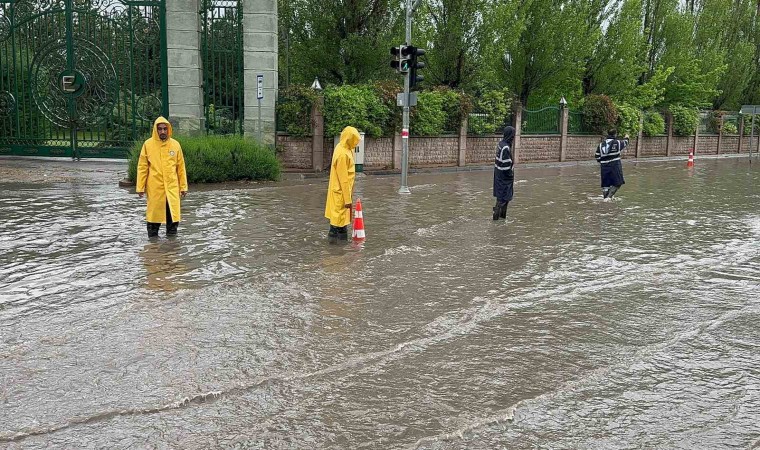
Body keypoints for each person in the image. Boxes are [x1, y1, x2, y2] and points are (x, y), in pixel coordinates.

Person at [136, 117, 188, 238]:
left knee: (173, 219)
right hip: (155, 188)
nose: (163, 131)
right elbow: (142, 167)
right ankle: (153, 249)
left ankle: (172, 250)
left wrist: (183, 186)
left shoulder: (175, 145)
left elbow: (181, 167)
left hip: (172, 188)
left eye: (165, 128)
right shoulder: (148, 145)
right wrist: (140, 187)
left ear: (169, 129)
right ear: (156, 130)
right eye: (160, 129)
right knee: (153, 220)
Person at [325, 126, 359, 243]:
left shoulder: (343, 147)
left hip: (342, 191)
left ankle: (339, 250)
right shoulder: (342, 154)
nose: (356, 144)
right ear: (349, 139)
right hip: (340, 192)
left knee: (339, 220)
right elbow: (343, 178)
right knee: (338, 221)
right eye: (354, 140)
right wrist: (347, 199)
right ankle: (337, 249)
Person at [595, 128, 629, 199]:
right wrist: (626, 137)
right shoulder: (617, 143)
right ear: (615, 134)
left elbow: (597, 156)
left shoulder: (601, 145)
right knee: (618, 182)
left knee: (605, 185)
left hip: (604, 167)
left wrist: (604, 162)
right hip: (615, 166)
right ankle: (609, 198)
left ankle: (605, 199)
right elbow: (625, 142)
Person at [492, 126, 515, 220]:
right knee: (504, 199)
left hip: (498, 175)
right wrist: (510, 175)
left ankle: (498, 219)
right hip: (504, 178)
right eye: (513, 135)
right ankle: (499, 218)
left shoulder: (500, 144)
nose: (513, 137)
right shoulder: (505, 147)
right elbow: (506, 166)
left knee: (500, 198)